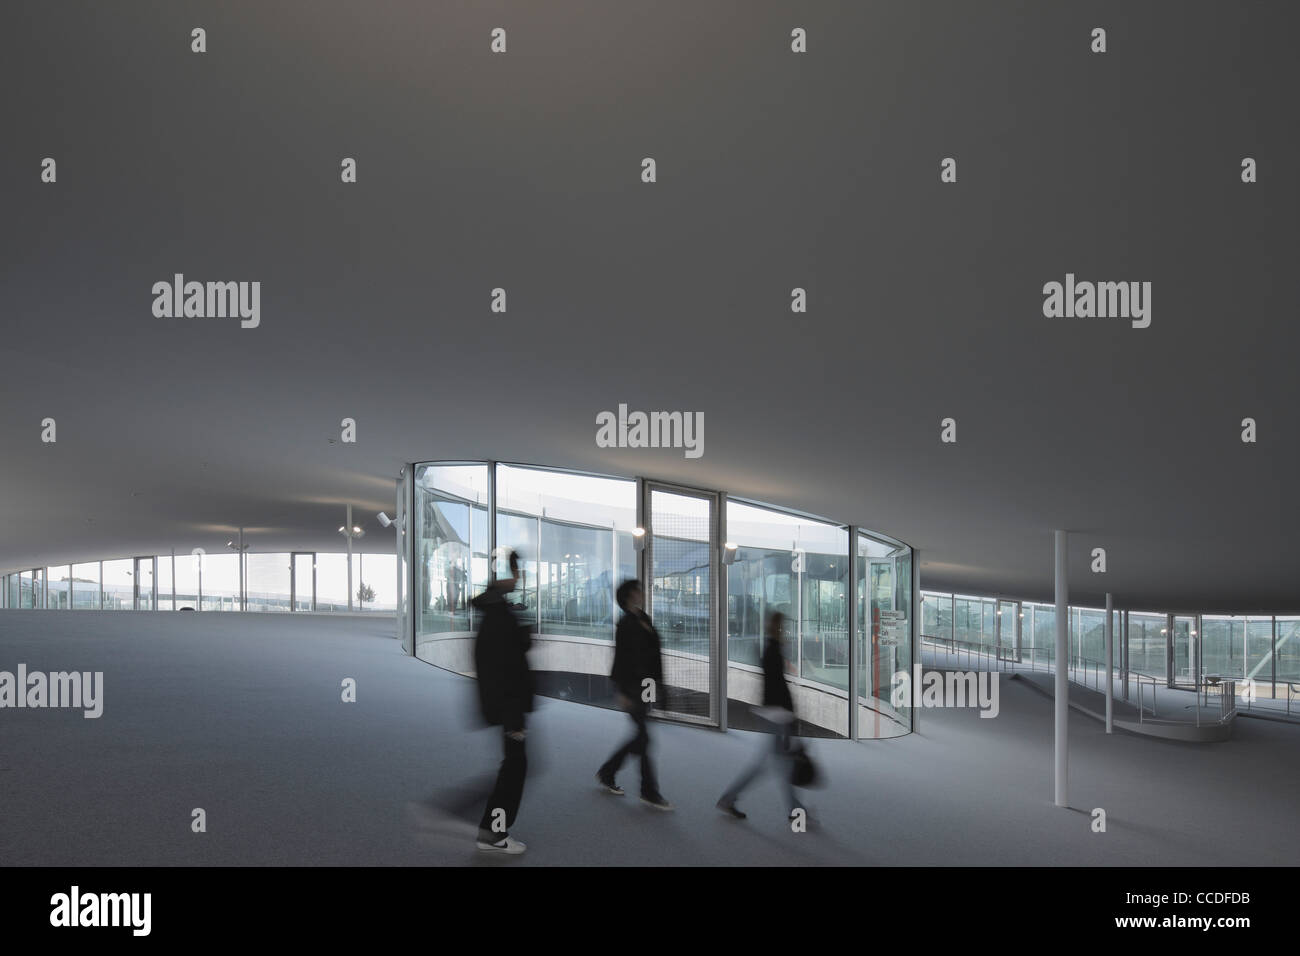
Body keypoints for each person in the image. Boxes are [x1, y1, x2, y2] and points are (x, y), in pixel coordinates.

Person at [473, 549, 534, 853]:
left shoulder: (499, 608)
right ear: (499, 576)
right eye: (513, 570)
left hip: (510, 704)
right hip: (510, 706)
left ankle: (491, 830)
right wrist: (513, 718)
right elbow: (502, 668)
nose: (518, 576)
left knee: (515, 765)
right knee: (515, 766)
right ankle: (492, 833)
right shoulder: (497, 614)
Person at [596, 579, 673, 810]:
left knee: (642, 737)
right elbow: (620, 659)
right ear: (630, 595)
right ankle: (648, 791)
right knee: (644, 737)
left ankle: (608, 771)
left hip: (647, 685)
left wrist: (660, 687)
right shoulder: (626, 624)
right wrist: (620, 691)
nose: (642, 592)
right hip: (631, 687)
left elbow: (654, 656)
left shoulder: (643, 618)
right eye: (638, 590)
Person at [717, 611, 800, 821]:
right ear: (779, 628)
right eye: (785, 627)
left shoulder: (770, 647)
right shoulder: (773, 650)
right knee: (770, 764)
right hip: (776, 713)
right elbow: (778, 686)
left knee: (778, 763)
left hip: (771, 710)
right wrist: (790, 713)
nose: (788, 631)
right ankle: (729, 798)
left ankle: (795, 809)